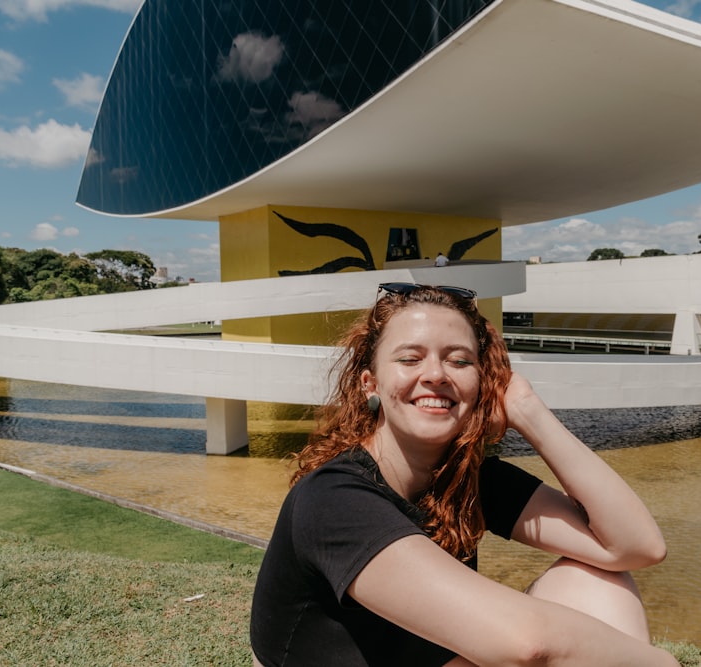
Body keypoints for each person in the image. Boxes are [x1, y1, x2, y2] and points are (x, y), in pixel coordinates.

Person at [250, 283, 677, 667]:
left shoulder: (467, 476)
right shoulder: (335, 499)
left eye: (459, 360)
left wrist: (529, 411)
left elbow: (636, 547)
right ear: (370, 384)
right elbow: (526, 643)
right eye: (410, 358)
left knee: (599, 579)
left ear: (480, 382)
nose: (435, 375)